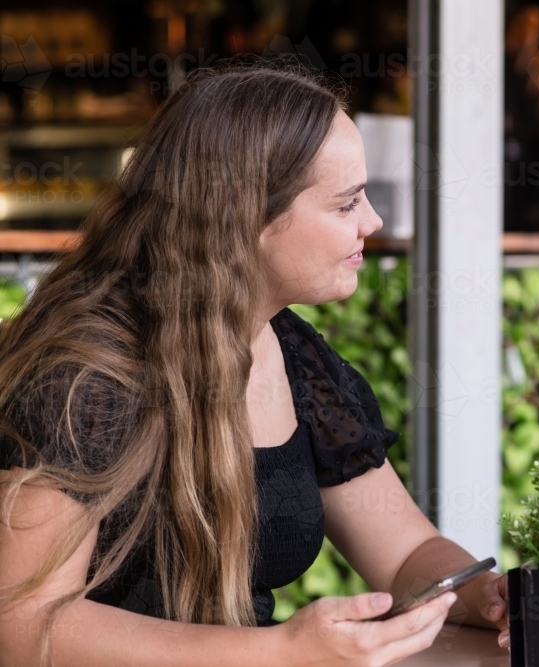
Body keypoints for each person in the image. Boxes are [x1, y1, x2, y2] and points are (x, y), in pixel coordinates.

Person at [0, 58, 507, 667]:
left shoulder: (296, 356)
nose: (372, 222)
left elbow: (403, 554)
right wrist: (279, 651)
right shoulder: (84, 375)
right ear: (244, 219)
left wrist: (483, 594)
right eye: (346, 204)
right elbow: (25, 627)